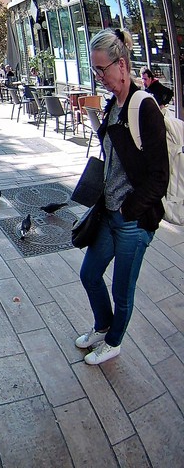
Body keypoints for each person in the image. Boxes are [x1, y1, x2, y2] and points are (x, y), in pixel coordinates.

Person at [76, 28, 168, 365]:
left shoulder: (144, 107)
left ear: (123, 65)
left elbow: (160, 177)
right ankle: (103, 326)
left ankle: (113, 342)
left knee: (122, 291)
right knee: (89, 274)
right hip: (109, 212)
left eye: (102, 69)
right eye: (94, 70)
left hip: (133, 219)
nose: (98, 77)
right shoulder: (113, 105)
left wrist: (130, 210)